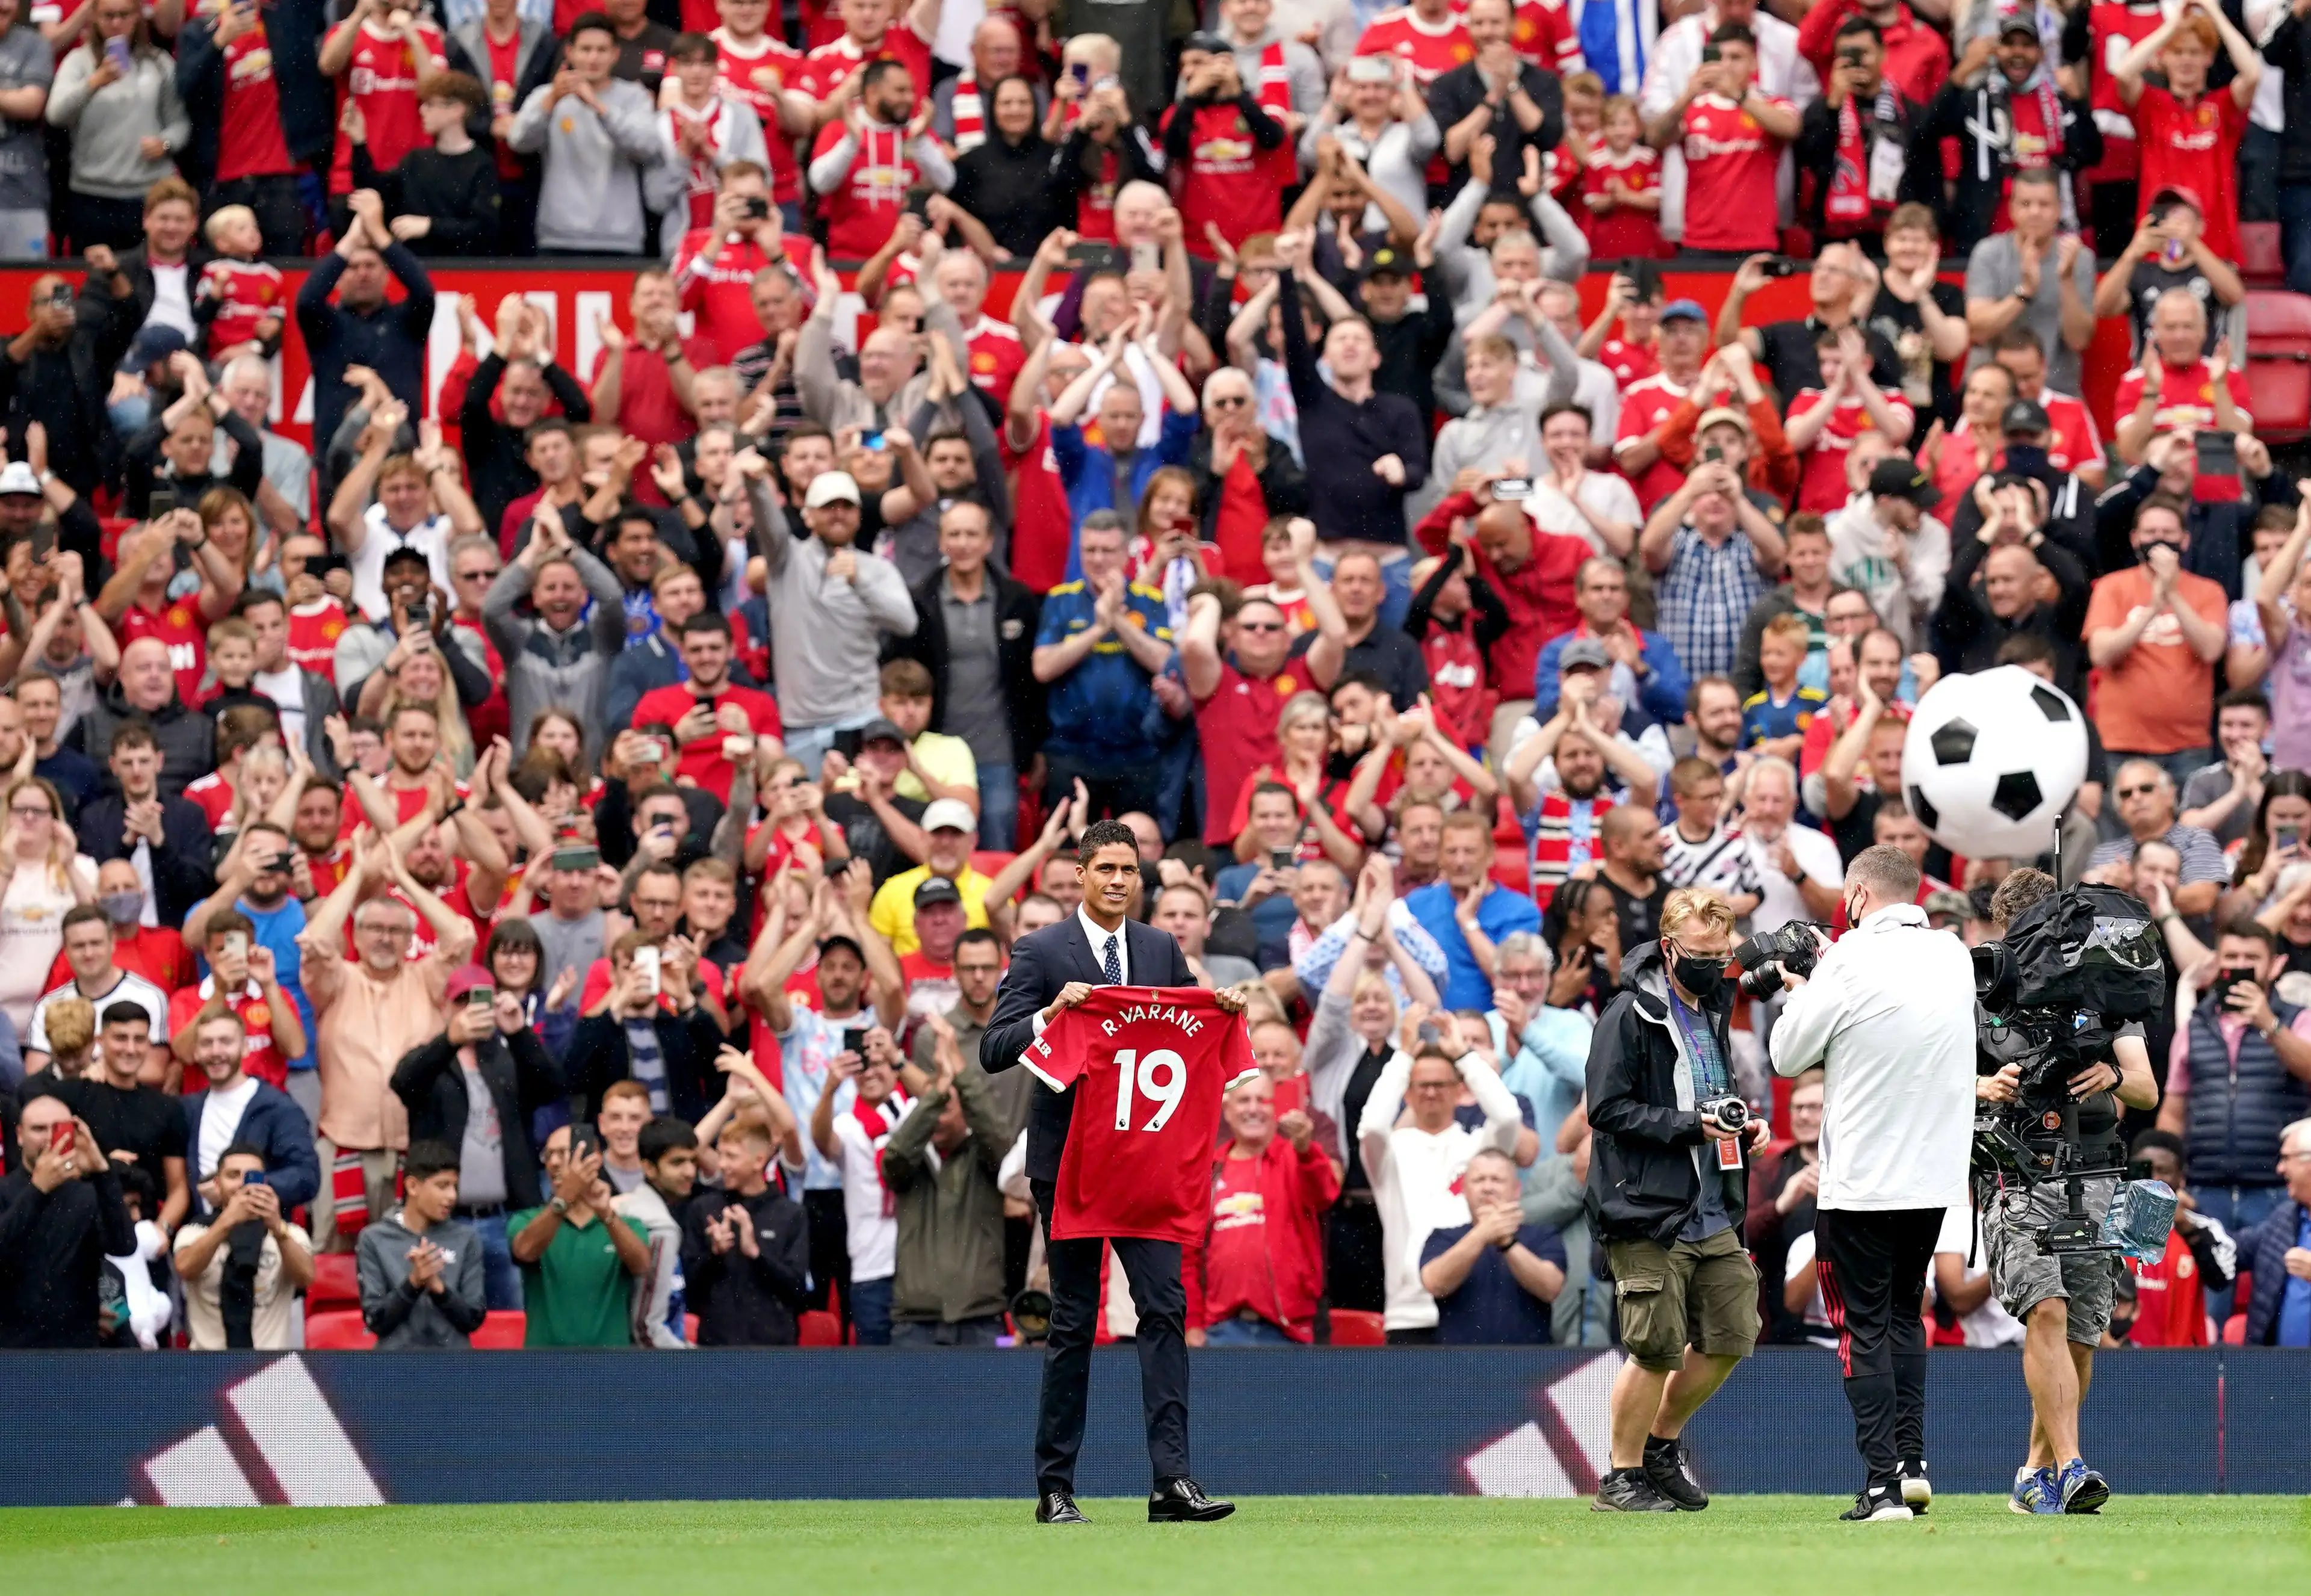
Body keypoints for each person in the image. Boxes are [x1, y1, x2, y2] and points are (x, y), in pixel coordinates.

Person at [978, 818, 1247, 1525]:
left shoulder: (1160, 949)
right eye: (1106, 870)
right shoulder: (1040, 951)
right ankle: (1056, 1488)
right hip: (1069, 1162)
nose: (1120, 881)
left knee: (1164, 1308)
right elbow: (994, 1048)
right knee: (1073, 1319)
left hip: (1145, 1165)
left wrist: (1219, 1007)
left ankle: (1172, 1482)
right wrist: (1048, 1016)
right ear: (1080, 873)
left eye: (1129, 870)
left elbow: (1189, 1026)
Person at [1770, 844, 1976, 1521]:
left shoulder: (1849, 959)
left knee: (1863, 1327)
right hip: (1933, 1178)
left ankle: (1882, 1485)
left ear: (1856, 897)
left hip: (1862, 1180)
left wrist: (1802, 991)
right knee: (1903, 1315)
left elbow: (1786, 1055)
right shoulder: (1953, 953)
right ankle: (1913, 1464)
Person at [1971, 868, 2159, 1514]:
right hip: (2018, 1172)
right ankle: (2075, 1464)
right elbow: (1934, 1076)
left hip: (2096, 1173)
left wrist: (2110, 1073)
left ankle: (2034, 1475)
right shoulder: (1984, 993)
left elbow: (2146, 1089)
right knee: (2044, 1311)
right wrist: (1979, 1087)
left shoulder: (2109, 993)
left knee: (2080, 1334)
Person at [1584, 887, 1773, 1512]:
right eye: (1701, 953)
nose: (1714, 965)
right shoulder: (1629, 1012)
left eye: (1722, 954)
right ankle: (1621, 1475)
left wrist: (1741, 1128)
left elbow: (1713, 1094)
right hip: (1648, 1206)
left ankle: (1660, 1446)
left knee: (1732, 1332)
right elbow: (1607, 1110)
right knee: (1655, 1347)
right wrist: (1693, 1126)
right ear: (1668, 948)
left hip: (1713, 1201)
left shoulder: (1712, 1005)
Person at [391, 963, 565, 1310]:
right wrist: (449, 1040)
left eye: (480, 1001)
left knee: (512, 1325)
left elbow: (552, 1088)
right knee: (442, 1322)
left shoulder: (508, 1057)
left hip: (505, 1218)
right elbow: (403, 1083)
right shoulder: (431, 1058)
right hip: (444, 1221)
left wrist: (518, 1032)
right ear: (447, 1008)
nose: (472, 1010)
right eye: (462, 1002)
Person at [885, 1010, 1013, 1347]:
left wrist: (960, 1070)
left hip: (980, 1319)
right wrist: (940, 1090)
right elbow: (894, 1159)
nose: (939, 1116)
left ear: (966, 1110)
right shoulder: (912, 1160)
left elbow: (1001, 1142)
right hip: (915, 1322)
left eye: (947, 1106)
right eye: (933, 1106)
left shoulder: (985, 1158)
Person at [1184, 1069, 1338, 1345]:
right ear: (1227, 1110)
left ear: (1275, 1107)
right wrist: (1192, 1323)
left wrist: (1306, 1148)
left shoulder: (1295, 1158)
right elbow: (1188, 1256)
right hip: (1220, 1330)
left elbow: (1325, 1194)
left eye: (1262, 1100)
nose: (1253, 1109)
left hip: (1289, 1330)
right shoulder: (1210, 1170)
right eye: (1244, 1101)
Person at [2084, 498, 2227, 787]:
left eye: (2168, 532)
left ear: (2185, 540)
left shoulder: (2208, 591)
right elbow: (2101, 653)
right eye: (2150, 532)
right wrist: (2152, 607)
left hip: (2188, 745)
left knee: (2187, 832)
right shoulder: (2113, 586)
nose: (2159, 539)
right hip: (2122, 743)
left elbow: (2211, 649)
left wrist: (2172, 593)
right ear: (2135, 539)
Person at [292, 196, 436, 477]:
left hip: (399, 460)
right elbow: (306, 302)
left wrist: (380, 235)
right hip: (337, 462)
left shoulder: (406, 322)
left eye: (371, 265)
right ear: (339, 276)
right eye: (352, 267)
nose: (362, 274)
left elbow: (424, 292)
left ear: (386, 273)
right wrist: (350, 241)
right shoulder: (327, 325)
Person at [508, 11, 664, 256]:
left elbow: (648, 147)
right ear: (570, 53)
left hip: (621, 239)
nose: (593, 58)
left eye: (602, 50)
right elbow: (518, 141)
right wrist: (551, 101)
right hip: (559, 236)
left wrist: (600, 108)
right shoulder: (547, 95)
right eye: (586, 49)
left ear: (615, 54)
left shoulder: (634, 96)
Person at [0, 1093, 134, 1347]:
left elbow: (124, 1245)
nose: (50, 1138)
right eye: (39, 1129)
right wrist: (37, 1190)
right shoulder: (4, 1191)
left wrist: (102, 1171)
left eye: (58, 1128)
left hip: (76, 1352)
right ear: (19, 1135)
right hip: (11, 1352)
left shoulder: (88, 1193)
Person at [509, 1122, 652, 1346]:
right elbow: (525, 1250)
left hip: (610, 1367)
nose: (554, 1162)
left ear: (593, 1159)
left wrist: (606, 1213)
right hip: (543, 1366)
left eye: (563, 1153)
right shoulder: (526, 1220)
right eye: (549, 1155)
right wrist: (564, 1198)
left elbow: (642, 1265)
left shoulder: (626, 1224)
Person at [170, 1141, 314, 1350]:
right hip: (207, 1365)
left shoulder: (289, 1234)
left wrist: (277, 1227)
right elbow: (185, 1268)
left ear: (265, 1182)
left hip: (270, 1368)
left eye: (251, 1176)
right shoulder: (195, 1231)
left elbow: (306, 1277)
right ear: (217, 1184)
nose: (242, 1185)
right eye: (233, 1175)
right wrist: (227, 1222)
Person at [683, 1111, 811, 1345]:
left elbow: (797, 1291)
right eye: (720, 1155)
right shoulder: (704, 1210)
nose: (722, 1165)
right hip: (716, 1348)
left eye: (731, 1157)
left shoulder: (790, 1214)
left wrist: (756, 1254)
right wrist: (715, 1255)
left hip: (773, 1350)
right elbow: (690, 1289)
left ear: (759, 1161)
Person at [1418, 1145, 1565, 1344]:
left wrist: (1508, 1243)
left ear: (1516, 1190)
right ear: (1465, 1190)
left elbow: (1551, 1288)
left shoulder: (1543, 1235)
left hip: (1530, 1364)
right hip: (1457, 1365)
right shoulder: (1444, 1237)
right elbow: (1434, 1283)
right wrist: (1482, 1234)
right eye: (1479, 1180)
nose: (1487, 1187)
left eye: (1497, 1180)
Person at [356, 1137, 489, 1348]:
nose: (452, 1196)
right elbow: (376, 1321)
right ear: (412, 1186)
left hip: (454, 1372)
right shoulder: (374, 1238)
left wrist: (439, 1289)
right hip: (395, 1373)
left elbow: (473, 1319)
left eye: (455, 1187)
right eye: (442, 1186)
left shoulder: (467, 1238)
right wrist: (414, 1284)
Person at [2231, 1116, 2311, 1347]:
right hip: (2276, 1374)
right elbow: (2231, 1249)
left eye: (2286, 1158)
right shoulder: (2283, 1219)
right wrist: (2190, 1222)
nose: (2280, 1168)